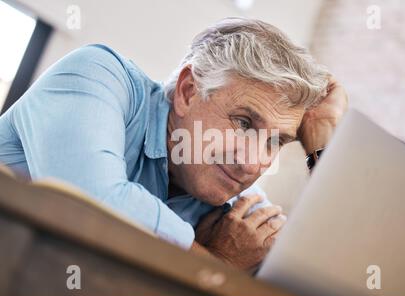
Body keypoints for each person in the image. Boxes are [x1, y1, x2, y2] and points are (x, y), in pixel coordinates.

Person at [0, 17, 347, 271]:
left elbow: (330, 279)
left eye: (275, 141)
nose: (252, 163)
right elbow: (90, 202)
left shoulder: (239, 214)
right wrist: (217, 264)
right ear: (187, 91)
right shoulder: (98, 73)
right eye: (243, 123)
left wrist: (324, 142)